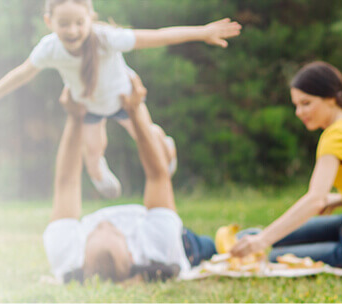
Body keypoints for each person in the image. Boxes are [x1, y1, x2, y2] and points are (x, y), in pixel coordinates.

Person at [0, 0, 240, 198]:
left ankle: (165, 143)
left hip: (126, 102)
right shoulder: (49, 49)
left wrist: (203, 32)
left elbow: (157, 37)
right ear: (49, 22)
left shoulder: (108, 38)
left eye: (79, 23)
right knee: (92, 159)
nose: (72, 30)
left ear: (90, 18)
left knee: (155, 150)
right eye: (64, 24)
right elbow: (21, 74)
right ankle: (104, 180)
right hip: (90, 107)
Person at [226, 62, 342, 270]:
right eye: (296, 105)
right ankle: (253, 238)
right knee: (248, 237)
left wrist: (262, 241)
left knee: (275, 256)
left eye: (306, 103)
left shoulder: (337, 135)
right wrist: (340, 199)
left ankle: (257, 240)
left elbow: (315, 200)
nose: (299, 112)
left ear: (330, 99)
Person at [42, 74, 219, 283]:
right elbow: (157, 176)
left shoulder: (67, 256)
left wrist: (75, 118)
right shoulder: (159, 246)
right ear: (132, 256)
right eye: (117, 233)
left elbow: (66, 183)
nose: (106, 222)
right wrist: (135, 112)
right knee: (217, 246)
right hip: (187, 245)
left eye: (96, 230)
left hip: (146, 225)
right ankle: (167, 151)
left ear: (83, 261)